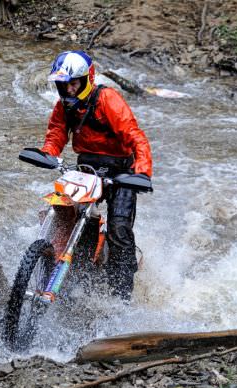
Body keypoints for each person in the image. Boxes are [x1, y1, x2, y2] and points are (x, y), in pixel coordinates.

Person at [40, 50, 153, 300]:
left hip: (122, 171)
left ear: (86, 79)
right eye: (63, 85)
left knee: (119, 229)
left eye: (73, 83)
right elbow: (56, 133)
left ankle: (121, 294)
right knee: (66, 214)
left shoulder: (108, 100)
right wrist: (48, 154)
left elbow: (135, 137)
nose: (68, 90)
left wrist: (142, 172)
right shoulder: (63, 106)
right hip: (87, 166)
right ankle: (71, 267)